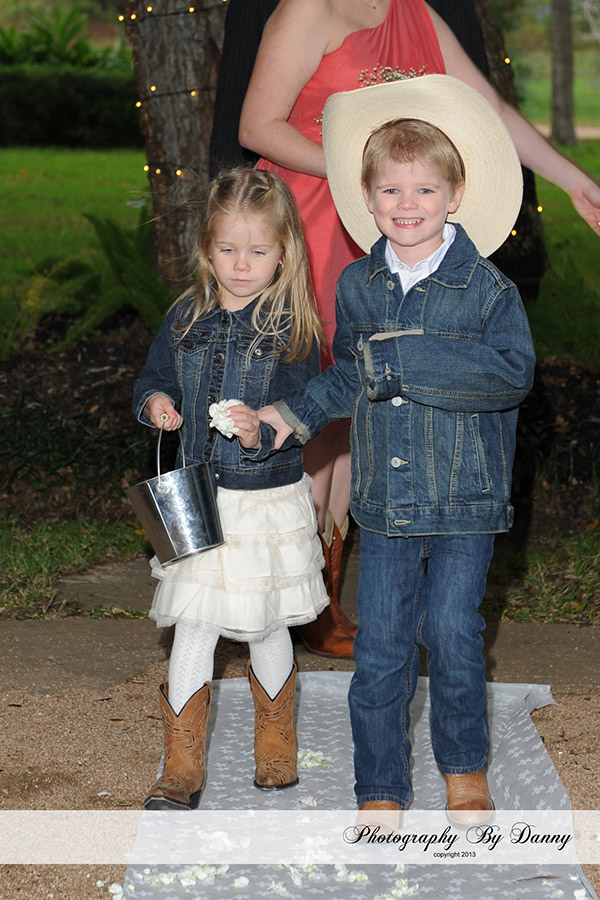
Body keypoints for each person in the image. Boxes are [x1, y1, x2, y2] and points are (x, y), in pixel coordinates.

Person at [238, 0, 600, 658]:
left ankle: (320, 601)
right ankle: (289, 599)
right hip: (317, 219)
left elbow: (490, 107)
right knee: (320, 405)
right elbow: (258, 126)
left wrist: (575, 183)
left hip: (390, 223)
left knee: (364, 412)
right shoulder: (307, 9)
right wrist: (366, 176)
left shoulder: (417, 12)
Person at [230, 75, 537, 820]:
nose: (407, 204)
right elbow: (348, 374)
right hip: (387, 501)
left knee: (453, 635)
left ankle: (463, 766)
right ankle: (380, 784)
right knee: (382, 647)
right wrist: (287, 415)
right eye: (391, 190)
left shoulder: (489, 290)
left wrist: (403, 359)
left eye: (424, 190)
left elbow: (510, 375)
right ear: (367, 199)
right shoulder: (359, 284)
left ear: (454, 196)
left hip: (464, 497)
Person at [132, 167, 328, 810]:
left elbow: (304, 407)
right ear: (205, 248)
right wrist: (157, 402)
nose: (241, 265)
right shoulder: (185, 317)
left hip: (262, 502)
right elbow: (153, 378)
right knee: (195, 623)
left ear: (283, 253)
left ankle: (276, 745)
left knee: (265, 626)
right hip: (198, 502)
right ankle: (180, 765)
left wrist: (262, 427)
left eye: (258, 251)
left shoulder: (291, 329)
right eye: (227, 249)